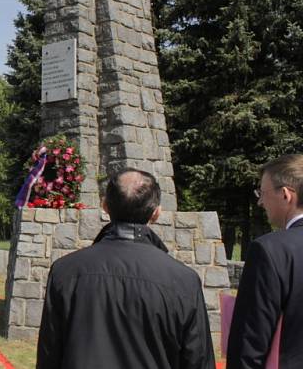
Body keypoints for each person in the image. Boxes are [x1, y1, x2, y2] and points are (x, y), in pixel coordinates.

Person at [36, 168, 214, 369]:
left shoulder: (65, 272)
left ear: (105, 206)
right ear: (156, 213)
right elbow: (198, 361)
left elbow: (49, 356)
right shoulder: (183, 281)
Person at [227, 154, 303, 368]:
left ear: (286, 194)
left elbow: (250, 341)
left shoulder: (270, 250)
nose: (260, 201)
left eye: (262, 192)